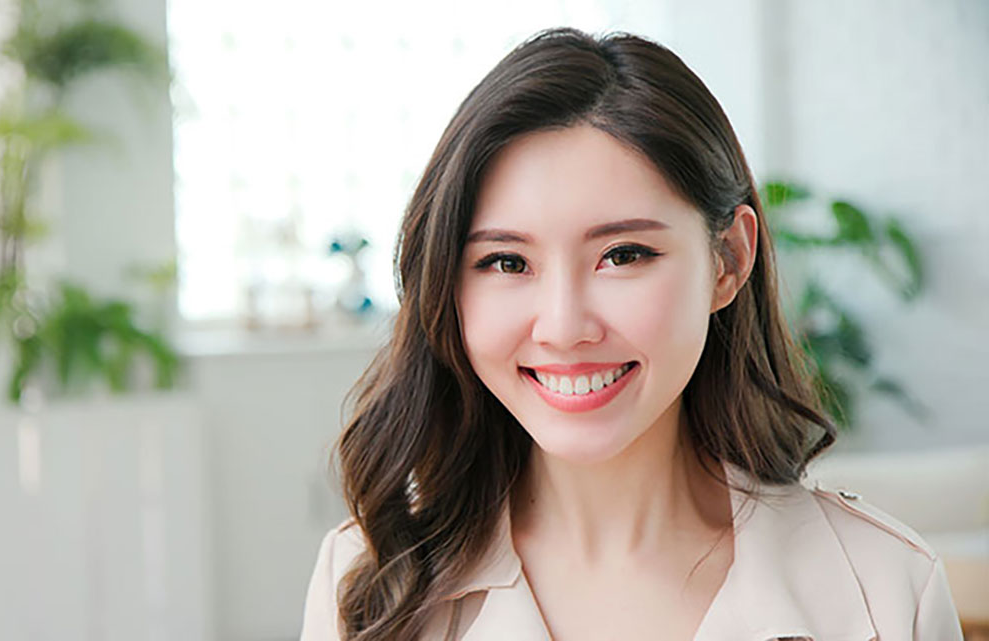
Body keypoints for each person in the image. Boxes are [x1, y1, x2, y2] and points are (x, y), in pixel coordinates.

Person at [300, 28, 964, 640]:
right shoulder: (367, 585)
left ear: (728, 260)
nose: (563, 327)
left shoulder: (884, 589)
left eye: (623, 255)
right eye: (507, 262)